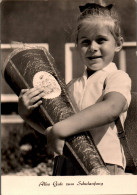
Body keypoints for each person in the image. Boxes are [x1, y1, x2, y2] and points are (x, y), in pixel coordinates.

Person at [18, 3, 131, 175]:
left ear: (118, 43)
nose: (93, 47)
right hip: (65, 165)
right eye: (85, 41)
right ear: (77, 45)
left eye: (101, 40)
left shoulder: (116, 77)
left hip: (104, 165)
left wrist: (61, 128)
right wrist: (26, 114)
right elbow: (52, 131)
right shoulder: (70, 86)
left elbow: (112, 108)